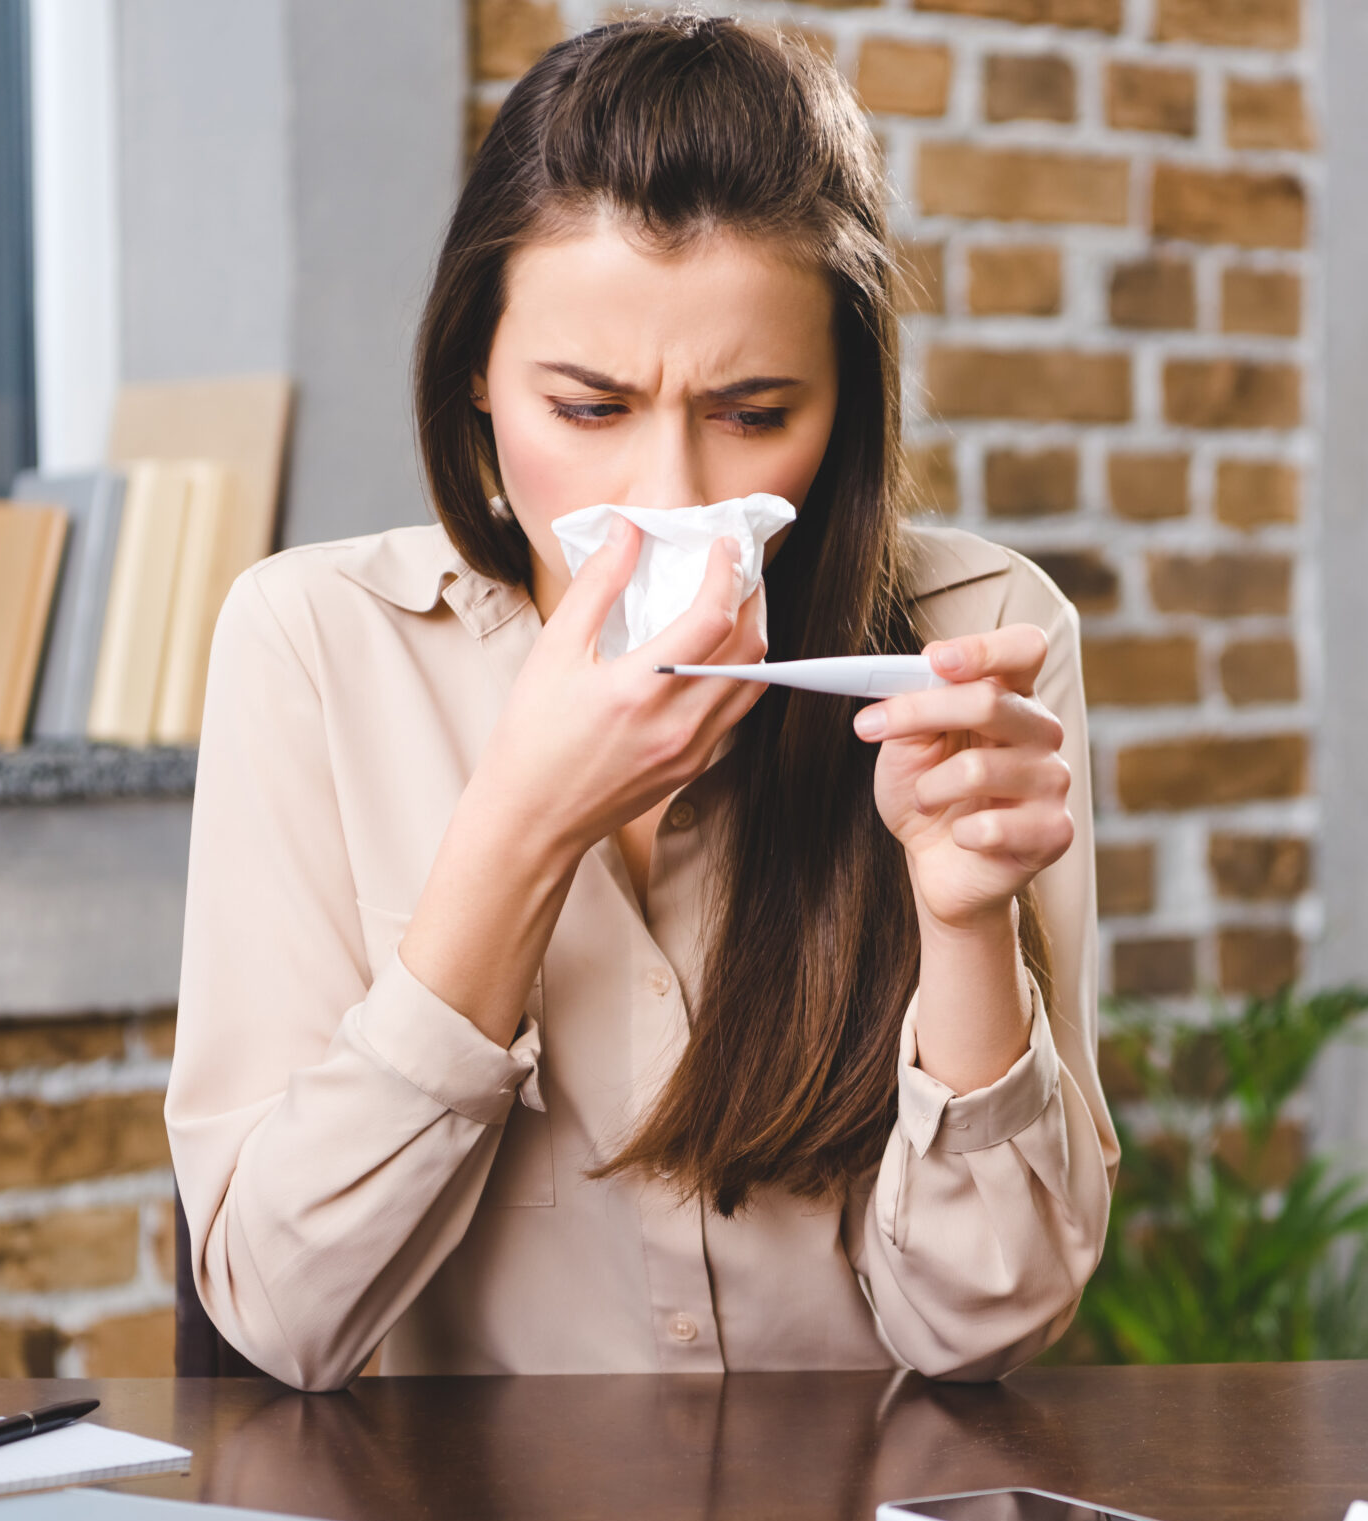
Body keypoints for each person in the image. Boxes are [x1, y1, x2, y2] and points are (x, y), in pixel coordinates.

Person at [165, 16, 1115, 1391]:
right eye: (590, 408)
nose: (671, 497)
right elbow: (283, 1313)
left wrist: (965, 920)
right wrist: (525, 828)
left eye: (751, 409)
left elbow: (991, 1322)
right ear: (478, 392)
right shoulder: (315, 644)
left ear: (842, 411)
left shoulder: (979, 638)